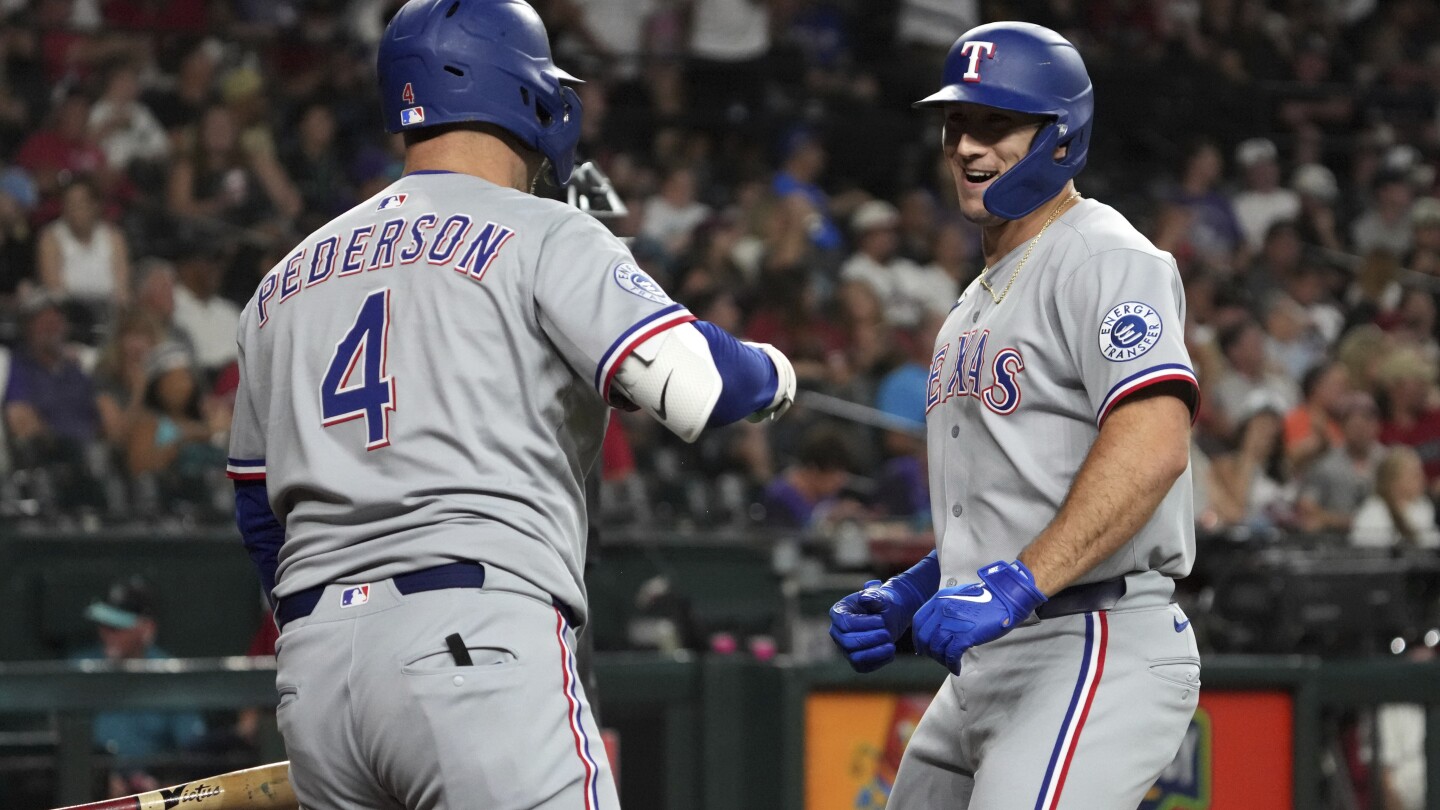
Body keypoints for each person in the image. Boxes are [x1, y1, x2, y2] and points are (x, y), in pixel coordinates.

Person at [226, 2, 795, 808]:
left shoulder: (280, 283)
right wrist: (774, 375)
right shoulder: (544, 231)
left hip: (318, 678)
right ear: (527, 94)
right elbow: (693, 384)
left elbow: (259, 517)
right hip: (473, 641)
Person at [828, 24, 1200, 809]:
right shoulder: (971, 301)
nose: (968, 146)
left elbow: (1156, 442)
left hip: (1093, 639)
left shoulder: (1103, 254)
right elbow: (1018, 499)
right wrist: (918, 590)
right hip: (995, 655)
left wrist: (1018, 582)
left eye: (996, 125)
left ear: (1060, 137)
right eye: (957, 122)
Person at [71, 576, 207, 798]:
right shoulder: (79, 667)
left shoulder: (170, 676)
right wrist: (101, 778)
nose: (106, 633)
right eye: (103, 625)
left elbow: (194, 754)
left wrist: (160, 786)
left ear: (146, 628)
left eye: (117, 626)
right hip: (88, 793)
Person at [1350, 446, 1440, 549]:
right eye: (1414, 475)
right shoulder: (1374, 513)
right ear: (1393, 481)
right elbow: (1367, 556)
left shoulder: (1423, 506)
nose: (1422, 479)